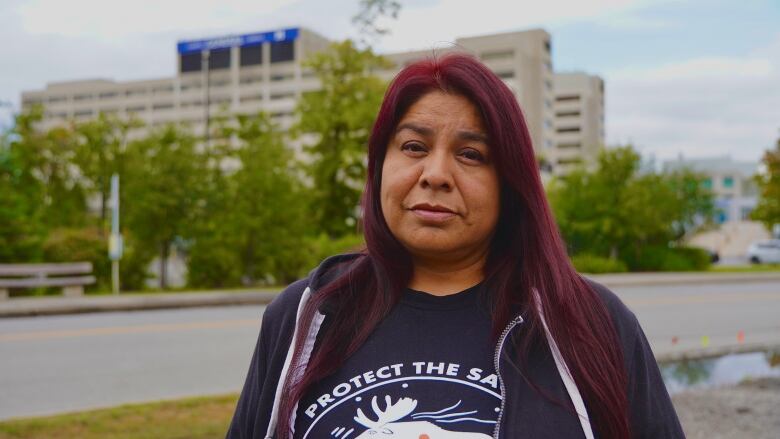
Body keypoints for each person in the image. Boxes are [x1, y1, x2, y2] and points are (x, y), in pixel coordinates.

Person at [227, 53, 684, 439]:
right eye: (412, 146)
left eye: (471, 154)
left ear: (510, 184)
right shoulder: (306, 315)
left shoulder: (592, 322)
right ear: (379, 166)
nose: (436, 174)